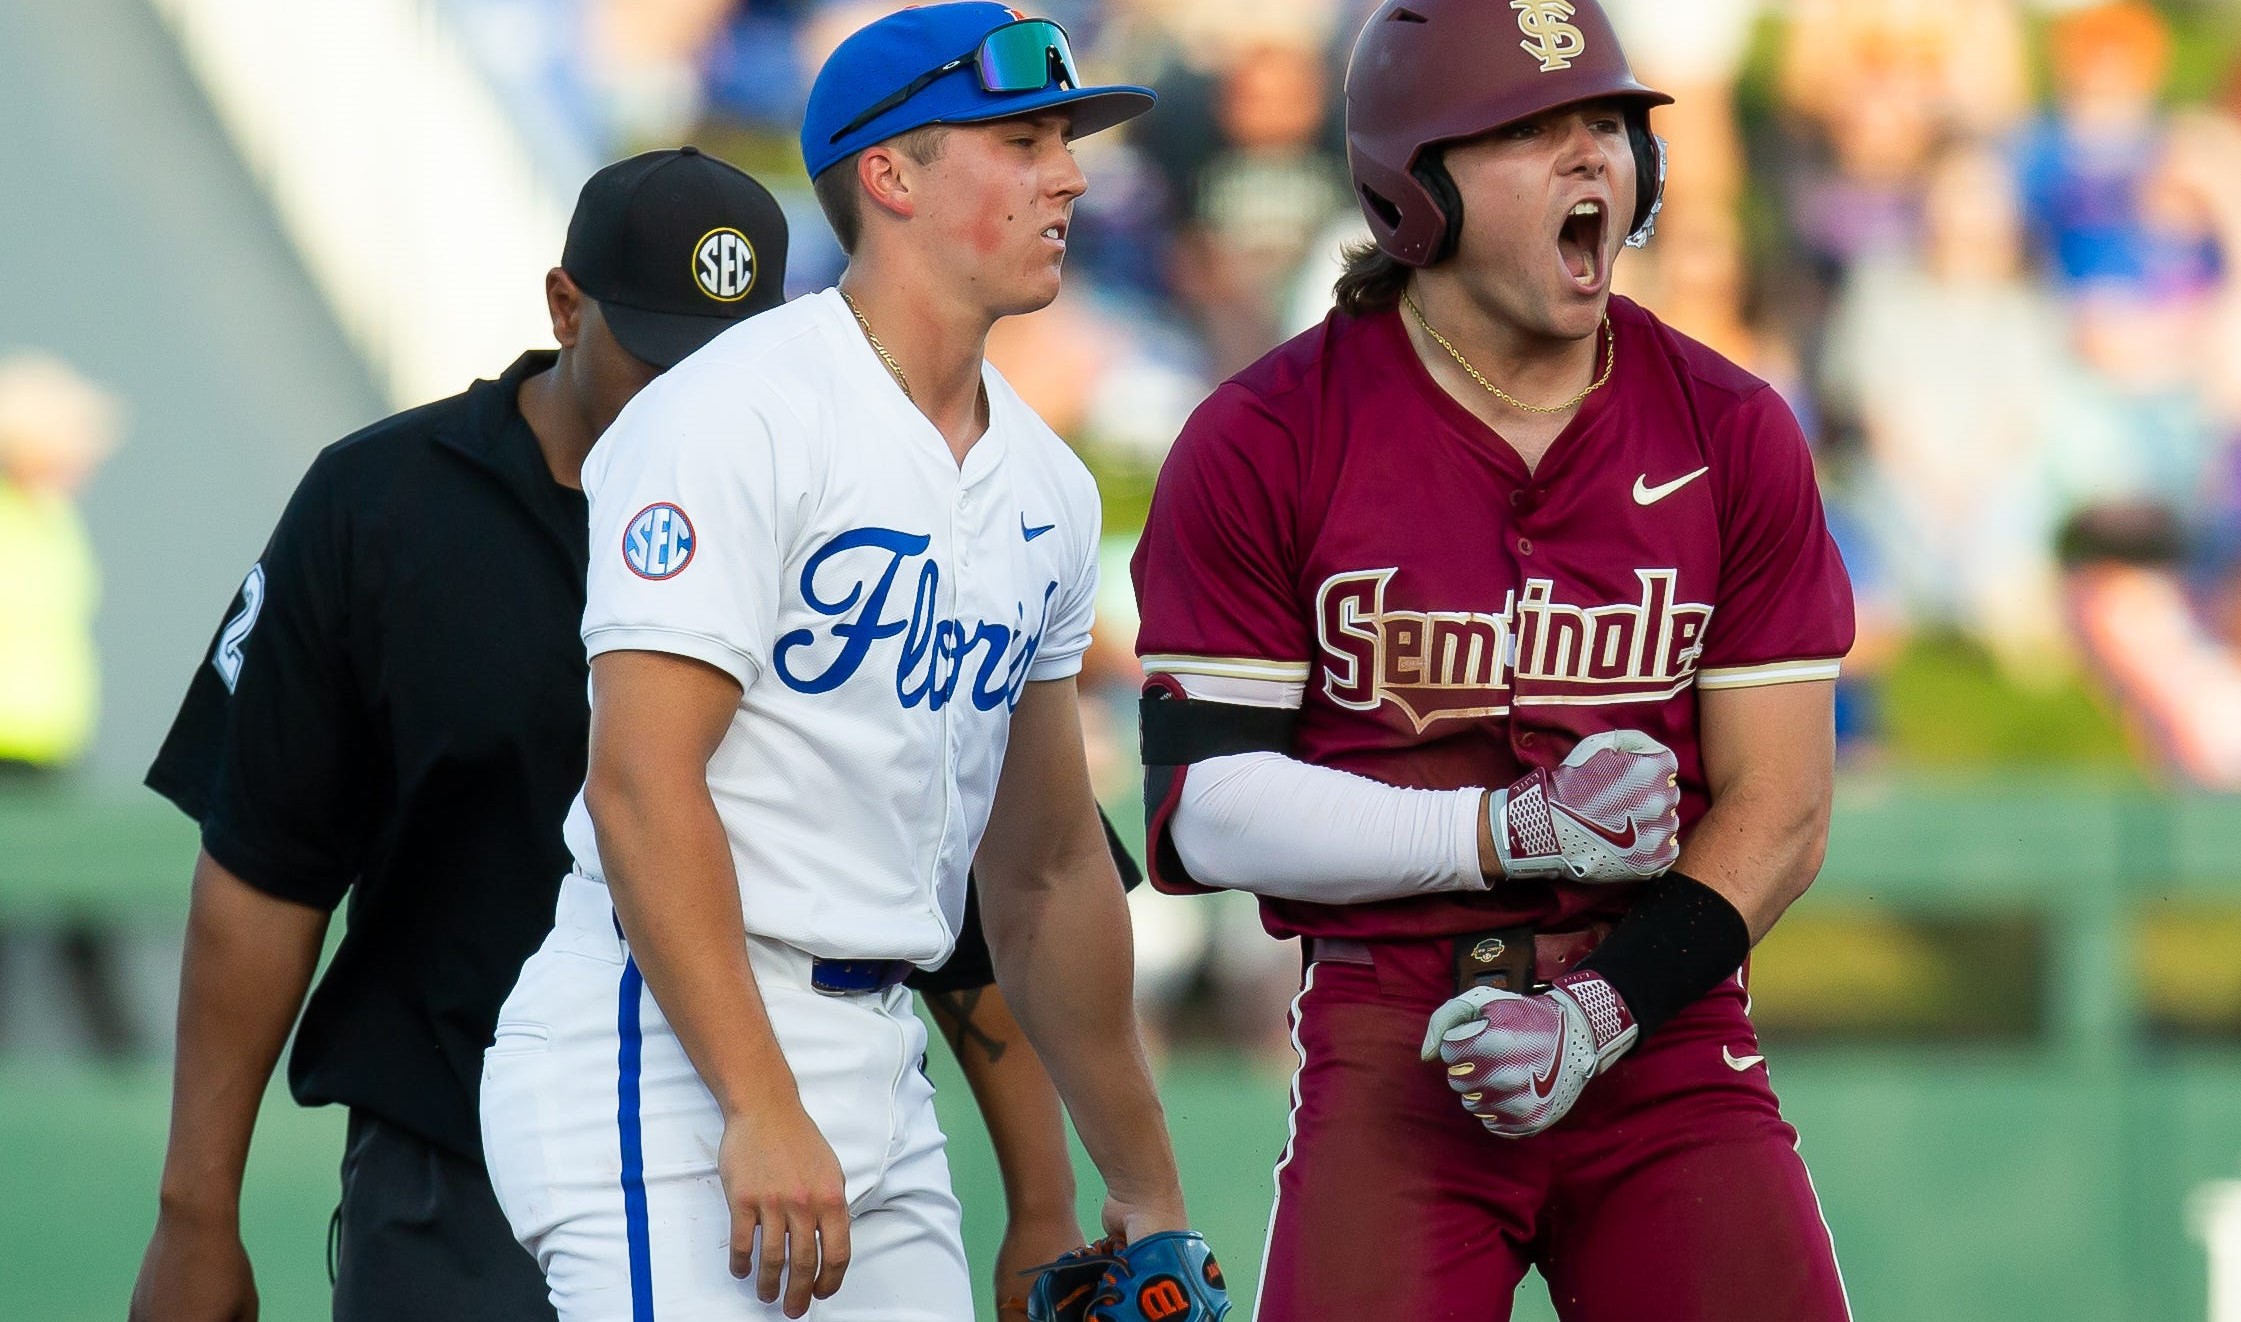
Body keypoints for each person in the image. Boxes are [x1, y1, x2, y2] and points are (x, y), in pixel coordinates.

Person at [1132, 1, 1855, 1318]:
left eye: (1608, 124)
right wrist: (1502, 829)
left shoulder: (1734, 427)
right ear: (1414, 191)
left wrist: (1598, 1010)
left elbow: (1786, 806)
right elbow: (1206, 807)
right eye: (1528, 128)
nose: (1589, 155)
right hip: (1390, 1035)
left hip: (1664, 1026)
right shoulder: (1264, 435)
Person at [477, 7, 1200, 1321]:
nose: (1070, 177)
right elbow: (641, 782)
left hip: (879, 1059)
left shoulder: (1044, 484)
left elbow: (1045, 867)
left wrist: (1146, 1187)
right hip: (661, 1046)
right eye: (1022, 140)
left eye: (1067, 141)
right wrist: (758, 1099)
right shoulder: (733, 411)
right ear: (890, 175)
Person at [129, 146, 792, 1322]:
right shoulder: (381, 502)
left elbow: (967, 856)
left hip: (761, 1162)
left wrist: (1045, 1192)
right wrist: (195, 1212)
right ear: (565, 307)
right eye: (658, 354)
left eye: (733, 358)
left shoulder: (821, 515)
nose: (696, 393)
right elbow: (264, 870)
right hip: (458, 1175)